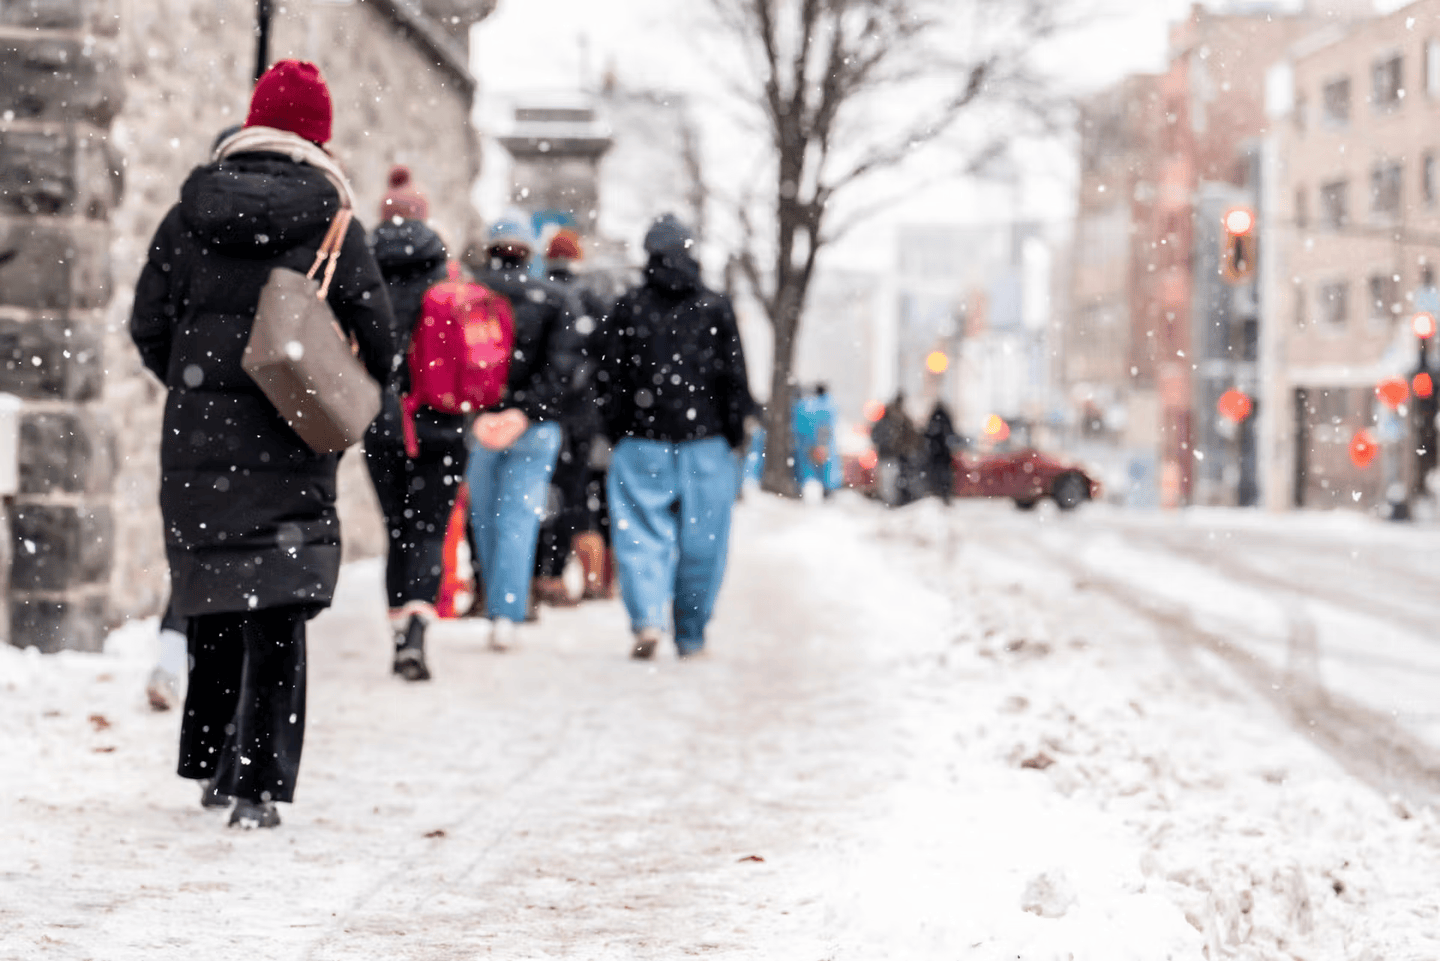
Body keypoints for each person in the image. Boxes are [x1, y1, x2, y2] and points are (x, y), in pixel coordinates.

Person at [130, 60, 395, 829]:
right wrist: (323, 391)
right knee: (274, 602)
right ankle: (256, 786)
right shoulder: (336, 218)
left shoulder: (191, 210)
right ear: (319, 134)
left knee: (213, 590)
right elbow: (381, 339)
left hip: (197, 440)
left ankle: (212, 763)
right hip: (290, 437)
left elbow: (149, 322)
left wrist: (194, 383)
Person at [593, 213, 753, 660]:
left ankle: (646, 619)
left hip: (642, 440)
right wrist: (734, 431)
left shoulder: (628, 307)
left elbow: (608, 375)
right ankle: (691, 632)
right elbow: (734, 376)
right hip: (705, 440)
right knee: (705, 542)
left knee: (640, 535)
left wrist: (617, 427)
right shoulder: (715, 307)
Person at [463, 217, 583, 651]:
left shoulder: (469, 294)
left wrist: (482, 410)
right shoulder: (555, 299)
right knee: (519, 517)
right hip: (534, 427)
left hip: (479, 420)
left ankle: (492, 598)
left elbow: (456, 360)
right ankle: (507, 611)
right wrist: (526, 412)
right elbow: (562, 368)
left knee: (485, 519)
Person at [363, 165, 461, 682]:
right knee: (429, 529)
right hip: (441, 421)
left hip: (382, 419)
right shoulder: (445, 270)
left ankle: (399, 629)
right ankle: (419, 630)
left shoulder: (362, 264)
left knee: (397, 530)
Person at [532, 228, 612, 606]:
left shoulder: (538, 294)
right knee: (577, 496)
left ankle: (544, 576)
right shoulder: (593, 299)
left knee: (541, 497)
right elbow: (607, 361)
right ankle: (591, 580)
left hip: (541, 413)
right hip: (583, 417)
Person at [871, 392, 922, 506]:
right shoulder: (900, 419)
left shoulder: (890, 419)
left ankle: (890, 502)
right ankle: (892, 502)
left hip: (889, 455)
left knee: (889, 482)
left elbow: (875, 435)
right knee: (892, 481)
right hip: (893, 455)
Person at [922, 399, 959, 504]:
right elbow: (951, 435)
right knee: (944, 476)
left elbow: (929, 435)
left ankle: (938, 494)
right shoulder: (945, 420)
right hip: (944, 455)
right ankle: (944, 494)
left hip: (937, 455)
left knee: (937, 476)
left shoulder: (934, 420)